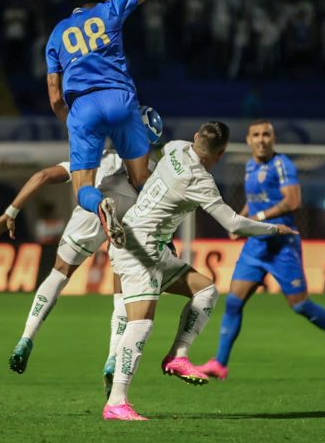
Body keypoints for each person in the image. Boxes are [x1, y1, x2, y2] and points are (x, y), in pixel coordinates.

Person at [104, 121, 297, 421]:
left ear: (195, 138)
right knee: (140, 324)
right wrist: (274, 228)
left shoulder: (176, 148)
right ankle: (116, 401)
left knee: (205, 290)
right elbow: (233, 223)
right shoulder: (201, 182)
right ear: (219, 156)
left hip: (149, 246)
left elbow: (162, 151)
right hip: (139, 251)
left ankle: (178, 356)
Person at [0, 109, 163, 379]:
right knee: (121, 290)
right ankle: (113, 357)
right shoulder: (152, 170)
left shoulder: (96, 158)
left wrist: (11, 211)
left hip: (91, 211)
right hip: (128, 215)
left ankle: (26, 337)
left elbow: (42, 176)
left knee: (60, 272)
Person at [197, 120, 325, 381]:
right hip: (256, 246)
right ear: (249, 140)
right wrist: (240, 220)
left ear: (273, 139)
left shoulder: (282, 164)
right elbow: (253, 201)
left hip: (282, 244)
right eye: (256, 135)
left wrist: (259, 217)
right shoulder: (250, 166)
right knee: (233, 302)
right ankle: (220, 363)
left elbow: (293, 200)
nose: (261, 140)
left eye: (266, 135)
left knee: (301, 306)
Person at [45, 0, 163, 241]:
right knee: (142, 178)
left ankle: (101, 206)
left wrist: (73, 123)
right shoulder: (108, 10)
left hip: (83, 106)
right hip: (119, 98)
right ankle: (159, 235)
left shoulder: (56, 35)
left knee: (83, 188)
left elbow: (54, 98)